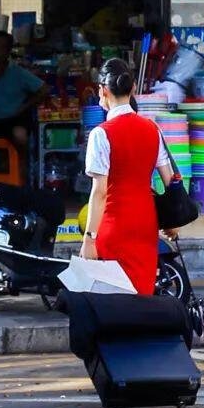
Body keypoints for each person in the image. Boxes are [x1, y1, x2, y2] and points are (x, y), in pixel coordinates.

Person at [80, 57, 168, 296]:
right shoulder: (152, 129)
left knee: (113, 303)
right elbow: (169, 181)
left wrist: (89, 240)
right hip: (145, 226)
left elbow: (99, 193)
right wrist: (172, 224)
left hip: (114, 226)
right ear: (133, 89)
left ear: (103, 90)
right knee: (142, 297)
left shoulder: (101, 134)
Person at [0, 31, 46, 150]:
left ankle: (22, 163)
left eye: (2, 48)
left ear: (8, 51)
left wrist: (24, 107)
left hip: (13, 120)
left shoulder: (18, 72)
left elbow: (43, 89)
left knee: (19, 135)